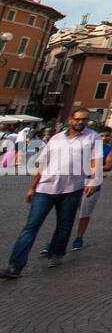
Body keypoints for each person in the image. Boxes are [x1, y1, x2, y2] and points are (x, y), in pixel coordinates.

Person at [2, 108, 101, 278]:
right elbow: (43, 164)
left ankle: (56, 253)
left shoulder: (93, 137)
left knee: (64, 224)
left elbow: (95, 161)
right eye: (78, 119)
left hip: (72, 188)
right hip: (45, 187)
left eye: (85, 120)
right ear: (70, 119)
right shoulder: (56, 138)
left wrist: (93, 180)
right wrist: (32, 187)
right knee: (31, 226)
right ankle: (15, 265)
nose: (81, 123)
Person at [71, 126, 112, 251]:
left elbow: (108, 166)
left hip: (93, 182)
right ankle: (55, 239)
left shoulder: (109, 149)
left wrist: (91, 167)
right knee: (65, 212)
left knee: (84, 213)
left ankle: (79, 238)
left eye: (107, 136)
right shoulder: (87, 147)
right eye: (102, 135)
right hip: (75, 182)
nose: (104, 138)